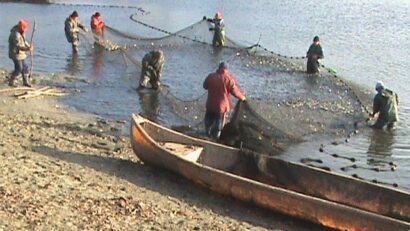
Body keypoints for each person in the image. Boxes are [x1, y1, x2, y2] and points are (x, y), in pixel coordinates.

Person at [203, 62, 246, 139]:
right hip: (221, 107)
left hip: (210, 105)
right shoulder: (229, 79)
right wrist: (242, 97)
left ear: (219, 68)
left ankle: (207, 134)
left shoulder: (211, 76)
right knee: (218, 124)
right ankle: (216, 137)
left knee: (208, 121)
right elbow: (235, 92)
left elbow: (204, 86)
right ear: (226, 69)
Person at [8, 19, 33, 87]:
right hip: (15, 53)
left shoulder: (21, 32)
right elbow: (18, 46)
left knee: (25, 67)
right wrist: (27, 49)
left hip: (22, 54)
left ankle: (25, 81)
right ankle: (12, 81)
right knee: (19, 68)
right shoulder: (15, 34)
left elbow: (24, 41)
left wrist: (28, 46)